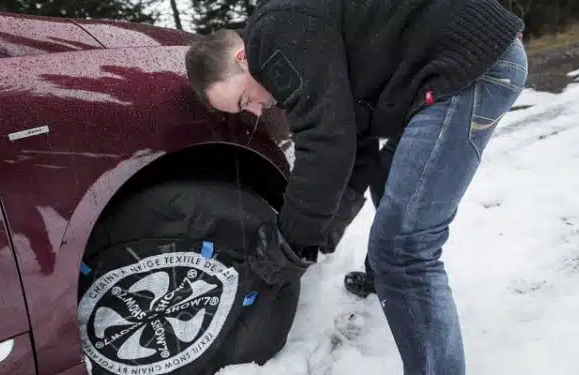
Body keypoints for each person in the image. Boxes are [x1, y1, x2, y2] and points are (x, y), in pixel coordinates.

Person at [184, 0, 528, 373]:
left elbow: (327, 144)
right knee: (388, 177)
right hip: (452, 64)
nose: (254, 110)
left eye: (243, 99)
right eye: (243, 109)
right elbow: (355, 151)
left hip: (469, 67)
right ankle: (386, 283)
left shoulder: (272, 41)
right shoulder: (294, 43)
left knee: (403, 251)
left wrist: (288, 242)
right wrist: (317, 235)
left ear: (241, 57)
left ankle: (406, 300)